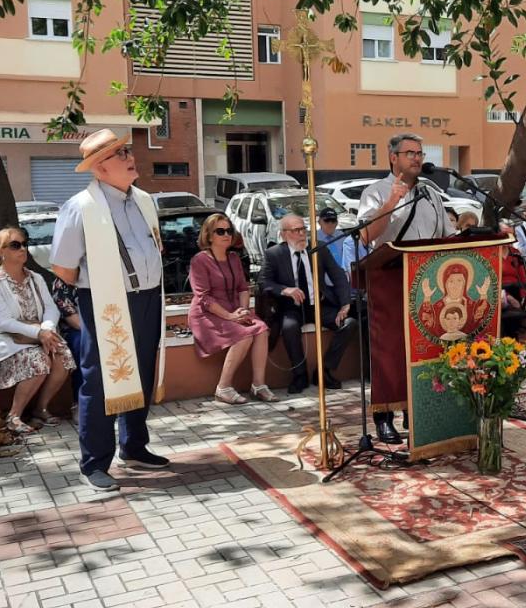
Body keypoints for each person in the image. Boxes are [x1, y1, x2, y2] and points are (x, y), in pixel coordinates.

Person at [49, 128, 168, 492]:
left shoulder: (145, 199)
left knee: (143, 371)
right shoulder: (81, 207)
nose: (130, 157)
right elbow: (63, 268)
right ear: (99, 169)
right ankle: (94, 462)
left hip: (148, 298)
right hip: (104, 300)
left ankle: (133, 446)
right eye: (120, 154)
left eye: (127, 150)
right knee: (101, 380)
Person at [359, 133, 449, 444]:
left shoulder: (431, 194)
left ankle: (418, 411)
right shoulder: (375, 192)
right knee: (390, 351)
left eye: (419, 153)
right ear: (393, 157)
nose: (416, 158)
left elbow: (446, 236)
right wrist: (392, 201)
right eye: (409, 153)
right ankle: (385, 417)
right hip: (390, 280)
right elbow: (367, 236)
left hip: (427, 281)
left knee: (426, 348)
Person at [0, 227, 74, 436]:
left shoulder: (35, 278)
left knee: (62, 354)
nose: (23, 249)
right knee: (39, 359)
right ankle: (14, 416)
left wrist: (46, 329)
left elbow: (51, 308)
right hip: (3, 339)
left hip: (36, 333)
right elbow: (2, 322)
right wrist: (38, 333)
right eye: (15, 245)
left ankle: (40, 409)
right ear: (1, 252)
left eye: (24, 244)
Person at [257, 214, 356, 393]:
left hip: (319, 304)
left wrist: (345, 303)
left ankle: (324, 371)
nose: (302, 234)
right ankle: (299, 375)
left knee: (349, 323)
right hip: (292, 307)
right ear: (284, 234)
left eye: (303, 229)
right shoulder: (275, 254)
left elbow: (338, 275)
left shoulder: (317, 249)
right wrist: (285, 290)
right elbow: (264, 282)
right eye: (296, 231)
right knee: (289, 328)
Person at [188, 213, 273, 404]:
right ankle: (223, 387)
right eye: (220, 231)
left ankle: (258, 385)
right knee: (244, 335)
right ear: (209, 235)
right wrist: (230, 316)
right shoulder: (199, 261)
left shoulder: (234, 258)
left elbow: (243, 288)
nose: (226, 234)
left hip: (234, 308)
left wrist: (242, 310)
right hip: (207, 314)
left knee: (261, 330)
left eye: (229, 230)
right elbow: (204, 298)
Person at [51, 275, 83, 404]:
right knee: (83, 344)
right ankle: (79, 402)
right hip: (74, 330)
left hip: (107, 326)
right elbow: (75, 322)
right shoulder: (62, 283)